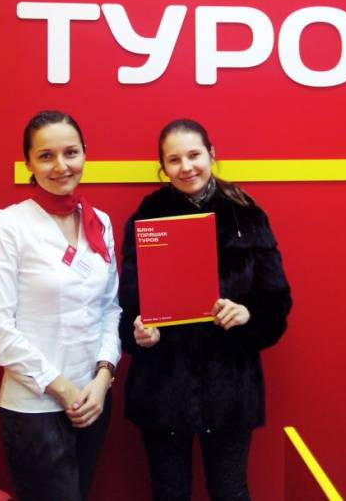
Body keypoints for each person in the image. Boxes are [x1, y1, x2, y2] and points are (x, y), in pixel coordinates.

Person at [119, 119, 292, 501]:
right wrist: (139, 331)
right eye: (174, 159)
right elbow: (126, 305)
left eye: (194, 155)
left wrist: (248, 315)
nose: (186, 167)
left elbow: (277, 301)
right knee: (169, 493)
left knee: (230, 491)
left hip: (230, 387)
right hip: (163, 386)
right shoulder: (148, 217)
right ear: (163, 168)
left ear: (212, 155)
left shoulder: (246, 214)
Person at [0, 110, 121, 501]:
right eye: (46, 156)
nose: (61, 166)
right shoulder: (10, 224)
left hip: (92, 402)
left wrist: (103, 378)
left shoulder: (100, 222)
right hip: (35, 407)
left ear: (85, 153)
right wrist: (62, 388)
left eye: (70, 152)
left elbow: (110, 309)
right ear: (28, 163)